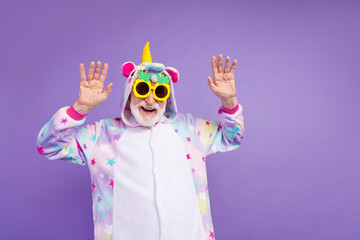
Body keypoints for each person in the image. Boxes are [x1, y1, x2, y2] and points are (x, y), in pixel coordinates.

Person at [36, 42, 245, 240]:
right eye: (143, 89)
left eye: (160, 92)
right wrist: (80, 108)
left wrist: (229, 101)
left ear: (167, 97)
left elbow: (232, 137)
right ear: (129, 92)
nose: (151, 100)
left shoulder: (189, 129)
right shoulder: (101, 135)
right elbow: (48, 146)